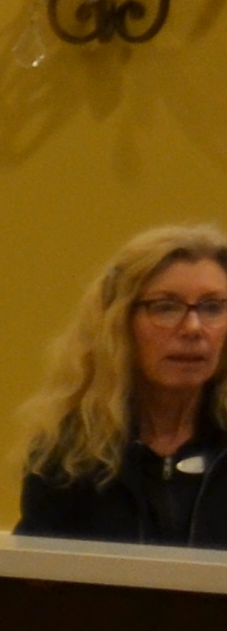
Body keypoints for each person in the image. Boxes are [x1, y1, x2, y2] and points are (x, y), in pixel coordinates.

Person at [16, 222, 227, 545]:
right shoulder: (69, 456)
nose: (193, 328)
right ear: (119, 324)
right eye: (166, 307)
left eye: (213, 307)